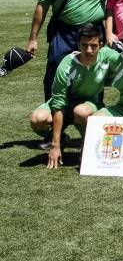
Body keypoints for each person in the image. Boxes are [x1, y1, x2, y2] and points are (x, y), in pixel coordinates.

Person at [29, 25, 114, 168]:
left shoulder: (107, 56)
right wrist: (55, 145)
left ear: (101, 45)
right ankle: (61, 139)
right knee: (37, 119)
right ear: (78, 44)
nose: (88, 50)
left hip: (89, 104)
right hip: (64, 105)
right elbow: (59, 105)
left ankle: (87, 147)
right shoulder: (66, 65)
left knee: (81, 111)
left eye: (93, 46)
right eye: (84, 45)